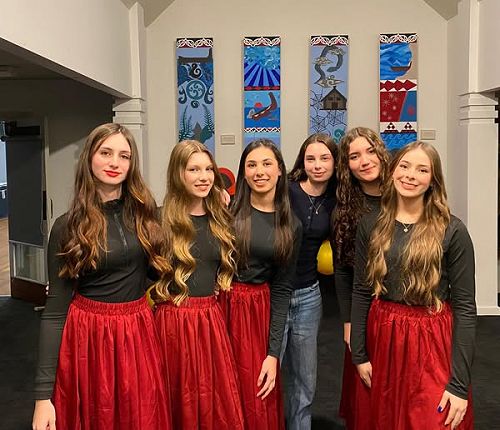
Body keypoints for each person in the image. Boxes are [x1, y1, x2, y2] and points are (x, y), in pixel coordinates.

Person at [32, 123, 172, 430]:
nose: (115, 162)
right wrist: (43, 397)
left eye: (124, 156)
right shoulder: (68, 226)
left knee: (142, 417)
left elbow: (155, 271)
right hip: (91, 338)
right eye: (105, 153)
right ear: (89, 158)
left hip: (138, 331)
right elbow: (54, 314)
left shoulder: (145, 216)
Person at [351, 141, 476, 429]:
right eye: (404, 166)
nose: (410, 175)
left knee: (433, 419)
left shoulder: (452, 230)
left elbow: (465, 308)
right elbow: (361, 290)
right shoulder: (371, 225)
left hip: (432, 337)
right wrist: (359, 354)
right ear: (393, 171)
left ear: (433, 180)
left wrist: (459, 385)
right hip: (385, 336)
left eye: (422, 170)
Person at [153, 140, 244, 430]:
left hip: (209, 320)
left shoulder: (220, 218)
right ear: (178, 173)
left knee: (213, 402)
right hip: (172, 322)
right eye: (193, 169)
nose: (204, 177)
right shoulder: (159, 219)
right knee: (175, 400)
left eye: (208, 169)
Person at [221, 139, 302, 430]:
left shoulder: (291, 225)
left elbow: (282, 289)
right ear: (243, 173)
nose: (259, 171)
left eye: (267, 164)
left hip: (257, 312)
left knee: (255, 388)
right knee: (221, 389)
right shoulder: (227, 213)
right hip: (220, 306)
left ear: (280, 170)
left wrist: (272, 354)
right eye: (251, 165)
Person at [331, 127, 389, 429]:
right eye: (354, 156)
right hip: (364, 308)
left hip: (403, 305)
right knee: (368, 387)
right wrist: (348, 323)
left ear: (381, 152)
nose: (364, 161)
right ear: (347, 166)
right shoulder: (345, 210)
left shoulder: (404, 194)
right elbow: (343, 270)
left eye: (369, 151)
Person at [282, 133, 337, 430]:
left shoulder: (338, 198)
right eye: (310, 158)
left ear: (335, 162)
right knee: (266, 372)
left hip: (309, 295)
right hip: (274, 293)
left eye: (324, 158)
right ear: (302, 162)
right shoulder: (285, 191)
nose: (317, 165)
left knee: (305, 379)